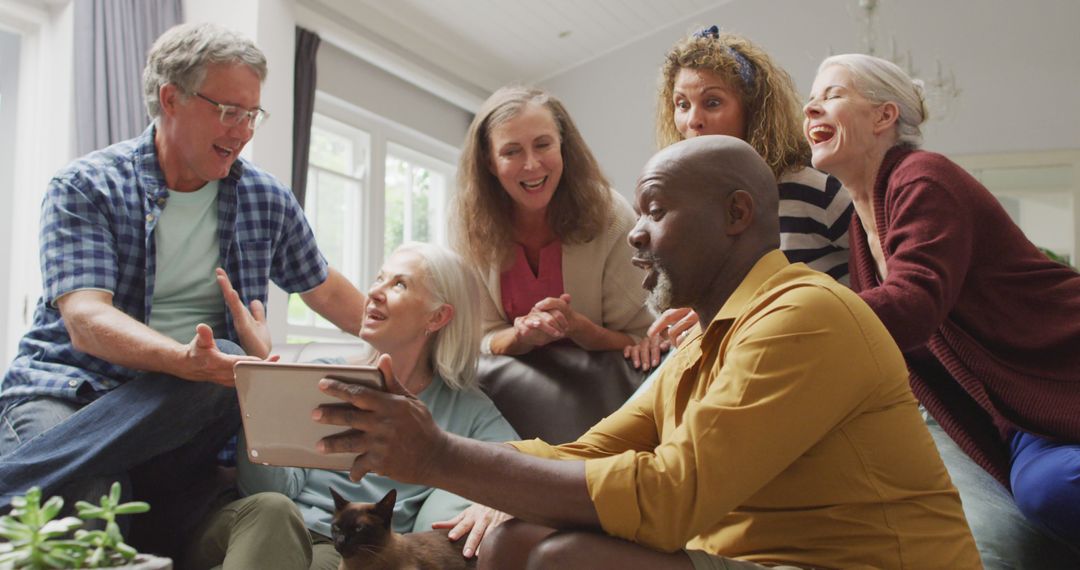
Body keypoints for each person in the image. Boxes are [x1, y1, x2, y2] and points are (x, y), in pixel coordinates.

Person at [311, 136, 981, 569]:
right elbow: (595, 447)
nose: (634, 235)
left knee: (561, 559)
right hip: (755, 562)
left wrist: (440, 456)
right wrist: (489, 477)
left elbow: (670, 496)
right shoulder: (704, 343)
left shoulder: (805, 316)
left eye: (654, 210)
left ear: (737, 215)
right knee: (511, 537)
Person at [0, 22, 365, 551]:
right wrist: (180, 359)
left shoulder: (266, 199)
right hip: (71, 390)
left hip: (187, 407)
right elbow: (85, 319)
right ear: (171, 98)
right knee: (91, 501)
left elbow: (325, 289)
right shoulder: (86, 186)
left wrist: (415, 341)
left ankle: (14, 478)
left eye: (251, 114)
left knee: (234, 362)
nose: (242, 130)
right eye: (228, 111)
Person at [804, 53, 1080, 562]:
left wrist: (782, 315)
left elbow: (910, 307)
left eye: (831, 95)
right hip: (1017, 422)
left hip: (1063, 377)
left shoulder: (922, 177)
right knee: (1039, 496)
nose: (810, 108)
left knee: (1053, 489)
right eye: (811, 99)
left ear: (884, 116)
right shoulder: (861, 234)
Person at [182, 242, 518, 570]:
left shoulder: (466, 408)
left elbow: (528, 460)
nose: (374, 292)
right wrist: (259, 385)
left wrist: (496, 504)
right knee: (274, 511)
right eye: (378, 278)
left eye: (399, 284)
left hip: (345, 551)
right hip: (254, 524)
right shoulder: (319, 376)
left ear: (437, 316)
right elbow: (268, 490)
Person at [625, 26, 853, 371]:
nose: (693, 120)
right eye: (681, 104)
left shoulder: (812, 189)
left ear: (753, 110)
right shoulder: (691, 213)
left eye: (712, 102)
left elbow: (877, 289)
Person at [452, 85, 652, 357]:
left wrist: (578, 327)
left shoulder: (611, 215)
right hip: (508, 391)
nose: (532, 164)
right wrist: (521, 336)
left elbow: (643, 337)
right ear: (489, 162)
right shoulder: (467, 222)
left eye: (543, 144)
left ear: (563, 147)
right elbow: (478, 336)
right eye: (511, 152)